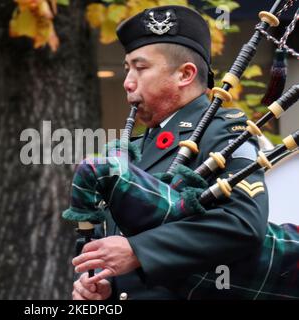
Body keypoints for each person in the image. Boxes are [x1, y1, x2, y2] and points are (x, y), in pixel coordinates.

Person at [71, 5, 269, 300]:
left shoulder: (224, 135)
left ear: (185, 74)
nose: (127, 82)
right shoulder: (135, 150)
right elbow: (114, 243)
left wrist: (139, 252)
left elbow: (243, 223)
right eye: (127, 70)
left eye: (141, 68)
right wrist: (101, 286)